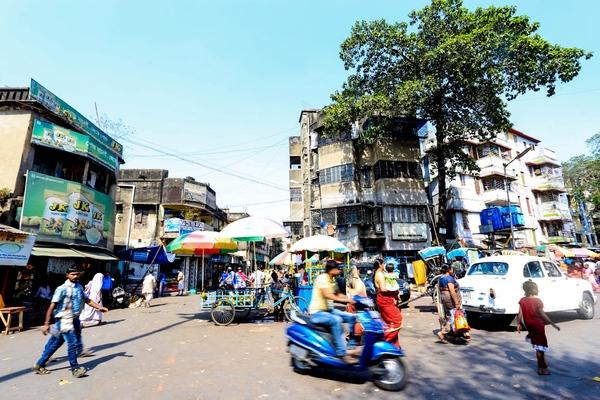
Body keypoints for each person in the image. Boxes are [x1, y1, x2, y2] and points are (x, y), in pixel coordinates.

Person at [33, 265, 108, 377]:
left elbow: (86, 300)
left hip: (75, 319)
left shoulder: (79, 287)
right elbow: (52, 306)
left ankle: (40, 364)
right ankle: (75, 368)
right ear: (67, 275)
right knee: (71, 343)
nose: (75, 276)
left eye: (77, 274)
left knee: (56, 343)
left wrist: (99, 307)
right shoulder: (62, 289)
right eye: (73, 274)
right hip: (64, 320)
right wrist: (46, 323)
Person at [309, 260, 359, 364]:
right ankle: (341, 353)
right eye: (337, 268)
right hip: (317, 312)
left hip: (328, 311)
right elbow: (328, 295)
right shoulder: (322, 278)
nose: (339, 270)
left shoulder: (333, 280)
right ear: (331, 270)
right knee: (336, 320)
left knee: (352, 317)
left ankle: (350, 347)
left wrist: (353, 299)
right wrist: (347, 300)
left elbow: (338, 294)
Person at [517, 281, 560, 375]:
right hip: (538, 325)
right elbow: (542, 314)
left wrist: (519, 324)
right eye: (536, 288)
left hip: (529, 325)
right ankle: (540, 369)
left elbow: (519, 314)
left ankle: (543, 363)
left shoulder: (522, 300)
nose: (538, 289)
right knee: (540, 347)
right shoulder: (537, 301)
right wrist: (553, 323)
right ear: (533, 289)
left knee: (538, 344)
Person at [374, 259, 403, 348]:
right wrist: (394, 291)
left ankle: (395, 346)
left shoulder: (380, 274)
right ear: (380, 265)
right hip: (385, 300)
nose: (384, 266)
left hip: (384, 299)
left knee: (389, 323)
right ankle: (382, 343)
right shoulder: (380, 275)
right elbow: (383, 289)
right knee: (397, 321)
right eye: (383, 264)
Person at [436, 264, 467, 343]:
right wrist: (456, 302)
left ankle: (455, 334)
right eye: (451, 269)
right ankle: (443, 332)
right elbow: (452, 291)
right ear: (449, 270)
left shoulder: (441, 278)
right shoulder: (449, 278)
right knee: (453, 315)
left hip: (444, 297)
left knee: (449, 315)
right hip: (449, 298)